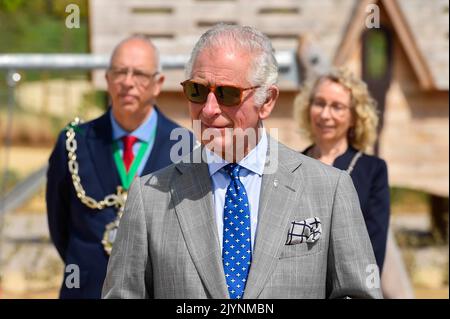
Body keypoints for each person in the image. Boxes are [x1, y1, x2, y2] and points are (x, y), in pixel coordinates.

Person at [102, 24, 381, 299]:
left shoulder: (329, 190)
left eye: (227, 93)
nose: (209, 110)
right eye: (197, 91)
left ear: (267, 100)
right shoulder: (149, 197)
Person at [46, 35, 192, 299]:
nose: (127, 82)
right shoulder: (73, 142)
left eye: (139, 74)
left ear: (158, 84)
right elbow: (59, 225)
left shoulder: (184, 147)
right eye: (120, 72)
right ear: (107, 79)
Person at [293, 68, 390, 273]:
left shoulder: (373, 170)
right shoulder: (292, 166)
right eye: (319, 103)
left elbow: (374, 246)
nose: (325, 114)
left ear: (355, 117)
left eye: (337, 107)